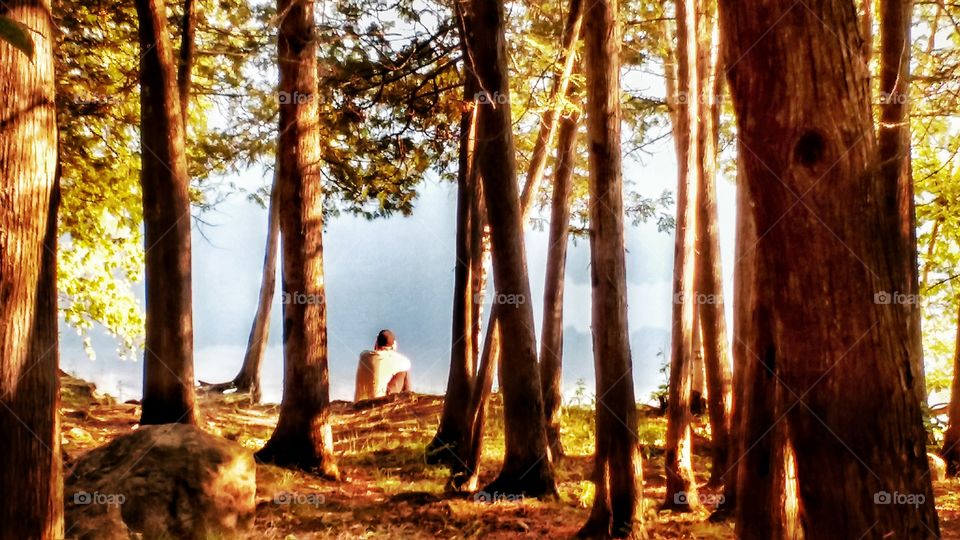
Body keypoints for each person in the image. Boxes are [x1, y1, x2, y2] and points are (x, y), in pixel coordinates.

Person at [354, 329, 412, 401]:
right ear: (393, 345)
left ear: (376, 343)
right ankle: (409, 403)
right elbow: (407, 364)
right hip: (379, 402)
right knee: (404, 373)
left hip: (359, 403)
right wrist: (393, 351)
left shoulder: (363, 356)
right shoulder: (398, 360)